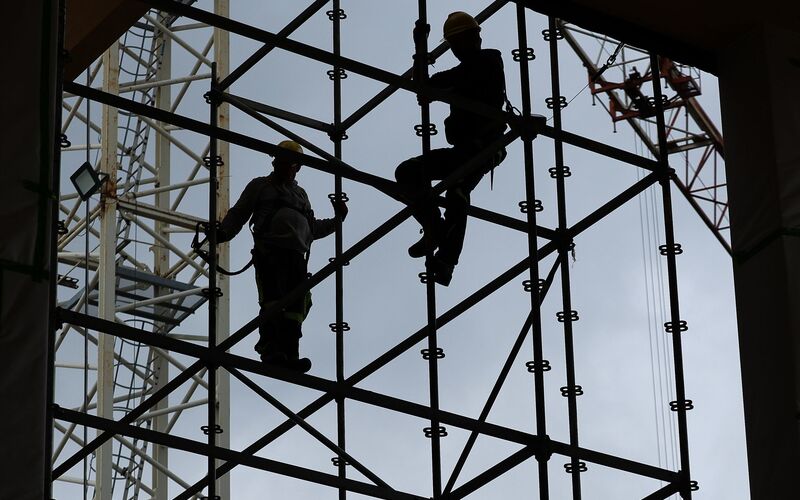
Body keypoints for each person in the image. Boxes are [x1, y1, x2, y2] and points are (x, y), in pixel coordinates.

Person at [395, 11, 508, 286]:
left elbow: (429, 88)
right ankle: (435, 227)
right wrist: (419, 49)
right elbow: (424, 89)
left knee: (457, 191)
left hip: (484, 148)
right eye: (454, 45)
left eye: (459, 43)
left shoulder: (488, 62)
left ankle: (446, 260)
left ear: (474, 39)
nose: (457, 50)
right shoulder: (462, 71)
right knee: (408, 172)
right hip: (463, 151)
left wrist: (423, 55)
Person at [214, 140, 348, 373]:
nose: (284, 165)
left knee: (296, 307)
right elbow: (239, 213)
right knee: (274, 301)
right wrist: (222, 234)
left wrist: (338, 220)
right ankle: (271, 351)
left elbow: (312, 228)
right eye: (281, 160)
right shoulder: (261, 186)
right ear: (275, 162)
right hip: (270, 252)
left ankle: (291, 354)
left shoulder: (301, 195)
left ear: (297, 167)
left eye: (289, 162)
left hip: (297, 256)